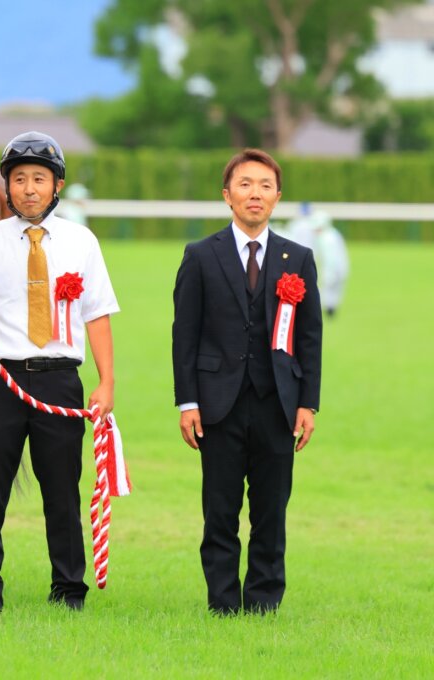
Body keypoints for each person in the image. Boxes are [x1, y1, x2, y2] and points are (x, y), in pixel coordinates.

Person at [0, 131, 119, 611]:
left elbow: (98, 313)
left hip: (60, 380)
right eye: (18, 179)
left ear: (57, 185)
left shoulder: (81, 242)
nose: (28, 188)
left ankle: (68, 588)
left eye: (38, 179)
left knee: (61, 491)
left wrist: (106, 382)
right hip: (0, 381)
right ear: (5, 187)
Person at [172, 148, 322, 615]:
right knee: (219, 511)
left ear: (277, 196)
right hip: (217, 404)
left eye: (264, 186)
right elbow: (185, 335)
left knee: (271, 511)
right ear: (227, 195)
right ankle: (222, 603)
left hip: (279, 402)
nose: (254, 194)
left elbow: (310, 336)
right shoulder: (200, 255)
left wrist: (307, 403)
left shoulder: (297, 258)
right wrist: (187, 402)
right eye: (244, 184)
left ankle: (263, 602)